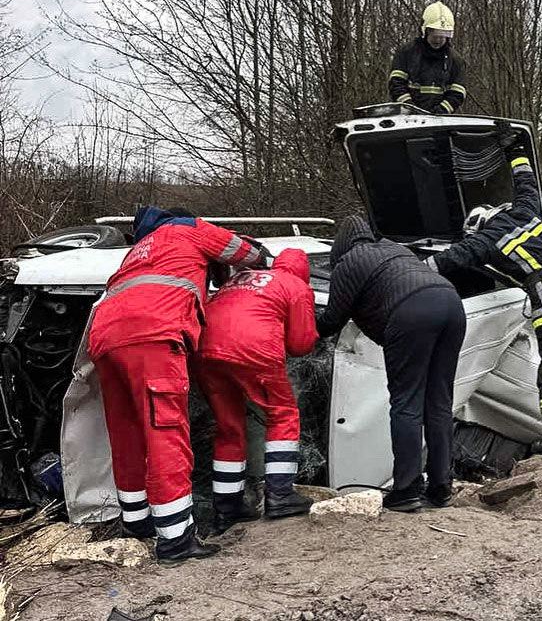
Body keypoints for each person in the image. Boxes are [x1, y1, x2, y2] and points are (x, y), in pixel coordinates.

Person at [88, 207, 265, 563]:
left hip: (104, 338)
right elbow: (247, 254)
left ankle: (136, 525)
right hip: (153, 335)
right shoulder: (188, 229)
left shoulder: (137, 251)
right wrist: (253, 255)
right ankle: (175, 539)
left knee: (127, 435)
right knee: (166, 434)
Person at [428, 136, 542, 460]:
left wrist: (410, 268)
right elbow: (527, 184)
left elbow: (450, 259)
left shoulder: (488, 237)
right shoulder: (525, 212)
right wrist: (516, 152)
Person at [316, 216, 465, 513]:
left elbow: (331, 321)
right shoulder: (395, 249)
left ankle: (407, 489)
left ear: (340, 244)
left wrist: (301, 325)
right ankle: (441, 487)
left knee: (406, 403)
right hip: (452, 303)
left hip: (411, 312)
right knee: (438, 402)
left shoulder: (349, 262)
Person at [193, 248, 319, 534]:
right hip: (253, 350)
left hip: (205, 351)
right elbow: (301, 344)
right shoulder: (295, 285)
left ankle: (227, 508)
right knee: (283, 414)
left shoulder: (238, 279)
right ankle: (280, 494)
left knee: (228, 427)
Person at [388, 2, 467, 114]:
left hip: (440, 121)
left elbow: (458, 92)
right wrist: (409, 108)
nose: (438, 40)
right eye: (435, 35)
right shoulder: (406, 53)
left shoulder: (455, 60)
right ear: (425, 31)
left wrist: (441, 111)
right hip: (407, 119)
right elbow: (396, 84)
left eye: (442, 36)